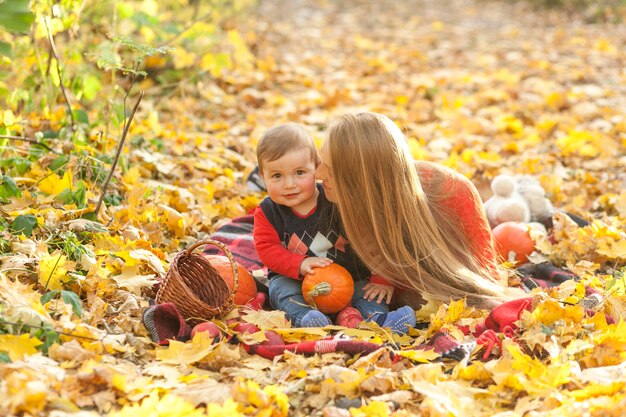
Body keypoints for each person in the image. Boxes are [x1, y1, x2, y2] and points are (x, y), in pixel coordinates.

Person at [314, 112, 524, 311]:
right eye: (321, 163)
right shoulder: (334, 200)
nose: (317, 174)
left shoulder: (454, 192)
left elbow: (487, 276)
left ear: (364, 180)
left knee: (512, 226)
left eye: (330, 170)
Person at [253, 123, 416, 333]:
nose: (289, 184)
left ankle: (377, 320)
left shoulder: (334, 199)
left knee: (367, 292)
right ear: (262, 176)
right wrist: (299, 264)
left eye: (300, 172)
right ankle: (306, 319)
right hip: (296, 279)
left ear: (317, 168)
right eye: (277, 176)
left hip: (348, 276)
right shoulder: (267, 211)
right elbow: (267, 249)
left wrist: (382, 279)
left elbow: (374, 240)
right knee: (281, 290)